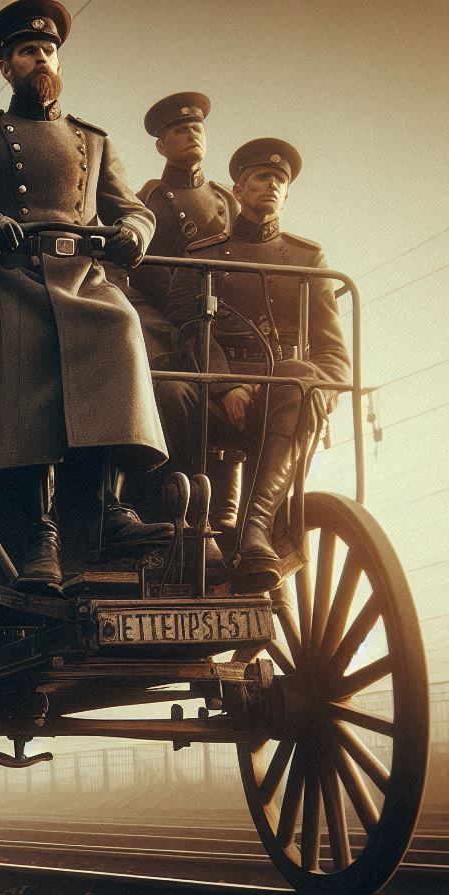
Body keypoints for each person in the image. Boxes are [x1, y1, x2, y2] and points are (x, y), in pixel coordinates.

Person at [0, 0, 171, 592]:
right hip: (11, 281)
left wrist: (132, 235)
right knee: (30, 356)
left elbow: (133, 209)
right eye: (26, 52)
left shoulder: (92, 139)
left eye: (47, 50)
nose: (40, 58)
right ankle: (40, 537)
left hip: (83, 279)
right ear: (7, 69)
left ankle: (111, 510)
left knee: (119, 329)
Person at [162, 138, 350, 592]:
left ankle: (255, 532)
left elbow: (333, 355)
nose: (272, 185)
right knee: (167, 391)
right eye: (262, 177)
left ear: (287, 195)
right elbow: (188, 327)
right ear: (238, 189)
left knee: (299, 379)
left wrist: (317, 390)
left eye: (280, 181)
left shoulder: (308, 258)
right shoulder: (205, 253)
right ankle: (192, 528)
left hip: (281, 399)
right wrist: (226, 385)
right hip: (213, 389)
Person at [114, 92, 238, 368]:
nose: (192, 135)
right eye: (181, 130)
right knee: (175, 394)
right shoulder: (146, 200)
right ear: (161, 147)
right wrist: (154, 325)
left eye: (197, 129)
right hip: (164, 330)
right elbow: (120, 275)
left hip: (221, 328)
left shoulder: (227, 200)